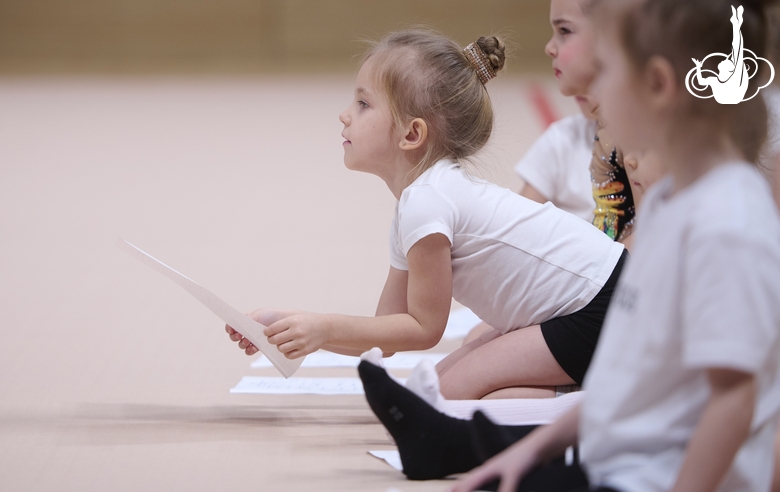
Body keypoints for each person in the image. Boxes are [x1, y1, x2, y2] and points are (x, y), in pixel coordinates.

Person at [452, 0, 780, 490]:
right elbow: (620, 383)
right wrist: (530, 452)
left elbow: (734, 401)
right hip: (617, 468)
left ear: (658, 87)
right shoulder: (668, 201)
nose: (592, 91)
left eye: (606, 71)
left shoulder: (725, 223)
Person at [225, 29, 627, 400]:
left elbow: (423, 328)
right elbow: (385, 333)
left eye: (364, 104)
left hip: (601, 308)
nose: (345, 114)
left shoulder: (427, 202)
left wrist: (323, 327)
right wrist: (285, 324)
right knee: (436, 388)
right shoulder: (415, 205)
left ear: (411, 134)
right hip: (592, 303)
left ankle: (604, 400)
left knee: (442, 394)